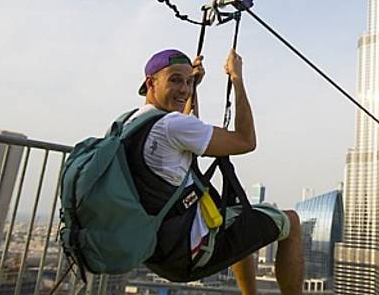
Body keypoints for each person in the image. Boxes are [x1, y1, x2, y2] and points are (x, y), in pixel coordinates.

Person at [127, 48, 304, 295]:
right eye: (175, 80)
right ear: (151, 83)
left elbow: (187, 128)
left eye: (188, 82)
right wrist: (237, 79)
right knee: (292, 222)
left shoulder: (130, 124)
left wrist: (194, 87)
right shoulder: (171, 126)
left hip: (154, 249)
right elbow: (245, 140)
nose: (184, 88)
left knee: (240, 216)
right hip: (189, 252)